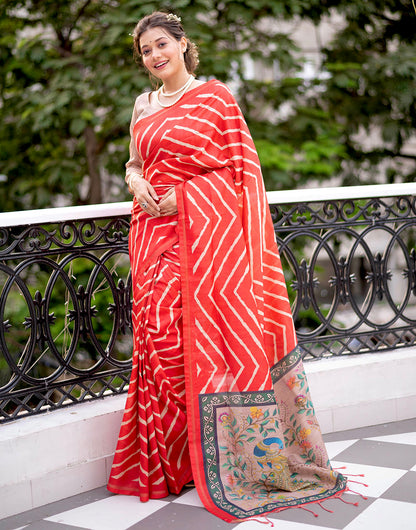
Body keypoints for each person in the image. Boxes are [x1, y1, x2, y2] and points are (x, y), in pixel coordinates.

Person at [108, 11, 347, 523]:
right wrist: (136, 183)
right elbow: (133, 162)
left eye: (161, 45)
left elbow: (240, 174)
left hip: (205, 240)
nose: (154, 56)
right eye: (145, 50)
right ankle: (179, 463)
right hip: (151, 237)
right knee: (160, 342)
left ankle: (222, 459)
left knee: (194, 341)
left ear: (182, 44)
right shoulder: (143, 104)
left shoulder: (215, 98)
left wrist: (185, 199)